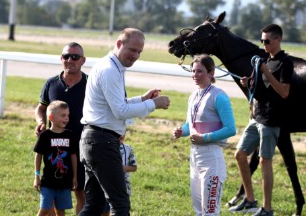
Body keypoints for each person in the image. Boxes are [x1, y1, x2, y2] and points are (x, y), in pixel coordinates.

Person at [79, 27, 170, 216]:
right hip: (102, 142)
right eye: (132, 50)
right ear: (119, 44)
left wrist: (142, 99)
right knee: (120, 205)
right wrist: (153, 104)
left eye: (139, 52)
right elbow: (120, 111)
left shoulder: (111, 66)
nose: (135, 56)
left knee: (94, 205)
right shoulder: (110, 70)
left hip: (94, 140)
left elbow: (116, 105)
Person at [229, 24, 293, 216]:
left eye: (267, 41)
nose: (263, 44)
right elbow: (260, 89)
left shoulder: (285, 63)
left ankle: (267, 209)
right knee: (240, 155)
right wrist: (248, 83)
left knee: (265, 161)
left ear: (278, 40)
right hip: (257, 118)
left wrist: (266, 71)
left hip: (272, 121)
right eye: (261, 40)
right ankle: (249, 200)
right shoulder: (265, 60)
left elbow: (284, 92)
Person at [172, 54, 236, 215]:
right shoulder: (193, 95)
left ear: (211, 73)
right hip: (195, 156)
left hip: (211, 157)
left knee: (210, 210)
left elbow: (231, 129)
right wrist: (181, 131)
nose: (195, 75)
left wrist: (205, 138)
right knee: (199, 209)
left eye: (199, 71)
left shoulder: (219, 96)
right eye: (193, 71)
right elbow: (190, 125)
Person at [34, 42, 87, 215]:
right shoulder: (51, 83)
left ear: (83, 60)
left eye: (75, 57)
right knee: (52, 194)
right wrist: (41, 122)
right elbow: (41, 108)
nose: (70, 60)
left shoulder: (91, 83)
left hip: (81, 146)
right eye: (66, 56)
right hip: (55, 149)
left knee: (81, 191)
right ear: (61, 59)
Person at [33, 100, 78, 216]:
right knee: (44, 210)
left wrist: (75, 177)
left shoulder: (70, 135)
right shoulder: (44, 136)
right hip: (47, 182)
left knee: (61, 211)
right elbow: (38, 155)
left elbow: (73, 156)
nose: (67, 118)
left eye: (68, 115)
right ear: (51, 117)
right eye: (63, 115)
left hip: (65, 182)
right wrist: (36, 176)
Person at [101, 132, 137, 216]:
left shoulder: (128, 148)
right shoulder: (105, 147)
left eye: (122, 132)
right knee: (104, 210)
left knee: (122, 209)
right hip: (106, 186)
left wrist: (121, 168)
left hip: (123, 187)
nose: (120, 135)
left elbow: (134, 167)